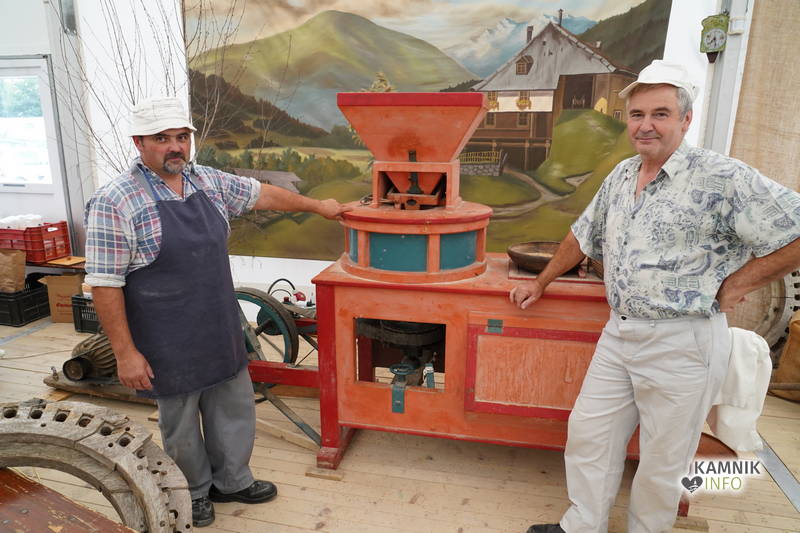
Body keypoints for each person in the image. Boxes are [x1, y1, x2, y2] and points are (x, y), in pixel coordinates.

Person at [511, 60, 800, 533]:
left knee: (665, 458)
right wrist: (541, 282)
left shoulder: (722, 177)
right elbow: (583, 234)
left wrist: (741, 283)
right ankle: (582, 525)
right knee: (590, 434)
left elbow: (795, 229)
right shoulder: (623, 175)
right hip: (619, 334)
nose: (646, 125)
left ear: (686, 120)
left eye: (660, 114)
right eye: (637, 114)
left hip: (683, 342)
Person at [84, 97, 351, 528]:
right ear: (139, 143)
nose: (175, 146)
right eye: (162, 138)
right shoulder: (116, 201)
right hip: (165, 334)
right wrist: (125, 353)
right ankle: (192, 491)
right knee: (181, 420)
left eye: (181, 137)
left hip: (217, 320)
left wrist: (318, 207)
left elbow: (264, 195)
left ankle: (232, 481)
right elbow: (104, 284)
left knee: (234, 405)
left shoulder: (206, 181)